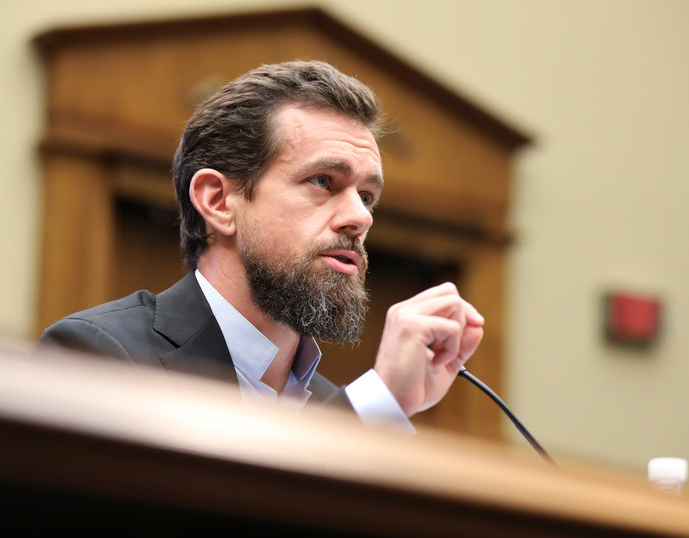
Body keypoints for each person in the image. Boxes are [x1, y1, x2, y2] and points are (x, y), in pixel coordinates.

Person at [36, 60, 484, 430]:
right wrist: (376, 405)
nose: (361, 217)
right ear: (218, 201)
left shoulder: (332, 408)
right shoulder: (102, 357)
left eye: (367, 196)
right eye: (324, 181)